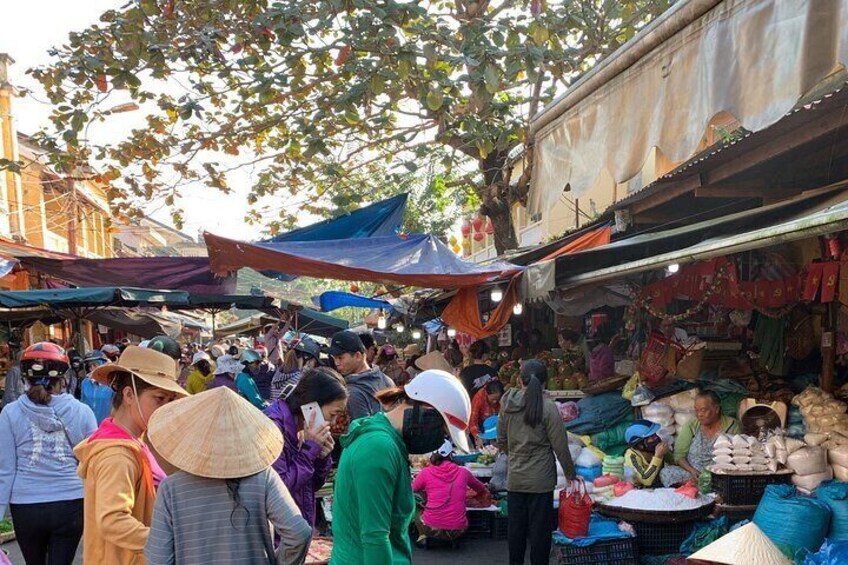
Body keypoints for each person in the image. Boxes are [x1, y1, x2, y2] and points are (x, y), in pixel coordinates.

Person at [144, 387, 312, 564]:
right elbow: (299, 533)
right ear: (243, 434)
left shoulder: (171, 488)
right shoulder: (263, 477)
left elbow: (158, 559)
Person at [330, 369, 471, 565]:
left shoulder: (387, 440)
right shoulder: (378, 448)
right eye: (442, 430)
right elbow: (375, 537)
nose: (440, 440)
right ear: (425, 410)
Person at [74, 346, 187, 565]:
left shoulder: (133, 441)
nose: (165, 408)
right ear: (128, 394)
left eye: (169, 401)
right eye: (159, 398)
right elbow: (113, 520)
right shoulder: (117, 455)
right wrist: (170, 540)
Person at [0, 342, 97, 565]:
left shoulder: (9, 413)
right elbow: (94, 462)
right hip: (70, 504)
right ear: (64, 377)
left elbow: (5, 470)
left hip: (25, 508)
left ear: (24, 376)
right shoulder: (82, 411)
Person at [498, 359, 575, 565]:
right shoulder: (548, 408)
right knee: (540, 534)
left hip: (515, 479)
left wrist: (515, 454)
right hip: (541, 481)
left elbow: (501, 441)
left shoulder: (507, 404)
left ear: (519, 380)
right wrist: (570, 473)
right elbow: (560, 446)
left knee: (516, 531)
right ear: (544, 383)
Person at [265, 367, 348, 528]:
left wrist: (321, 458)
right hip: (279, 534)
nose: (333, 422)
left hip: (295, 528)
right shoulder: (273, 428)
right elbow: (279, 490)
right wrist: (308, 452)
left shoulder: (301, 427)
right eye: (333, 414)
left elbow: (311, 486)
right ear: (312, 406)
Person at [411, 440, 488, 545]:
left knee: (416, 503)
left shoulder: (426, 472)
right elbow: (481, 488)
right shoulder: (463, 472)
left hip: (431, 529)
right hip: (458, 530)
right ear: (451, 455)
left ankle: (422, 536)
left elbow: (411, 490)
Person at [660, 390, 740, 487]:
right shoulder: (692, 425)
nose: (699, 414)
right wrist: (692, 471)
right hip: (692, 474)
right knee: (666, 473)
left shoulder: (732, 425)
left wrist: (712, 474)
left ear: (716, 409)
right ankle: (690, 489)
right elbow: (679, 456)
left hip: (718, 476)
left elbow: (737, 456)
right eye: (696, 410)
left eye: (703, 410)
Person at [329, 330, 395, 421]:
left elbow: (363, 431)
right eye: (334, 358)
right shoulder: (386, 379)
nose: (336, 363)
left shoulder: (352, 393)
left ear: (358, 356)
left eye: (340, 358)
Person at [624, 420, 669, 487]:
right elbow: (646, 480)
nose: (656, 438)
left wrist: (666, 453)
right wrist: (658, 457)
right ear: (640, 445)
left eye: (655, 435)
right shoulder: (631, 456)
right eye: (652, 437)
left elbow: (673, 461)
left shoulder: (652, 449)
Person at [80, 350, 114, 424]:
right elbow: (82, 404)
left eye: (95, 365)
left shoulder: (111, 384)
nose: (92, 368)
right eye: (90, 366)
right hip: (89, 426)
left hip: (107, 426)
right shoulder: (85, 383)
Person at [469, 380, 504, 448]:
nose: (495, 401)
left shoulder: (503, 397)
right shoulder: (478, 398)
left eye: (497, 399)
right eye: (493, 399)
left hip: (496, 422)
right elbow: (473, 421)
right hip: (482, 425)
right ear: (487, 394)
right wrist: (478, 437)